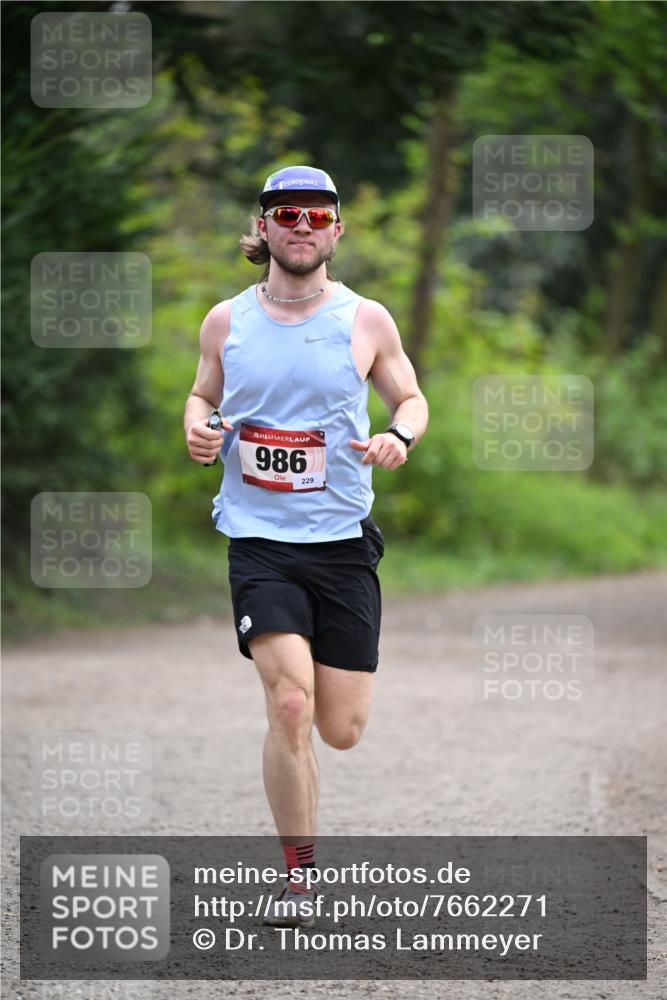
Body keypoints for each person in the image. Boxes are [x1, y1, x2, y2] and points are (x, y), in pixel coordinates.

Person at [184, 165, 428, 926]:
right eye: (286, 213)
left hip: (341, 543)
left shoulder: (366, 320)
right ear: (262, 228)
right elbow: (202, 394)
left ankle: (313, 806)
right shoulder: (226, 320)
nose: (302, 225)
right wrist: (195, 425)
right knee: (289, 704)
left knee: (339, 728)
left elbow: (411, 398)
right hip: (258, 540)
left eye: (317, 216)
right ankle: (299, 878)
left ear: (336, 231)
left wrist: (397, 436)